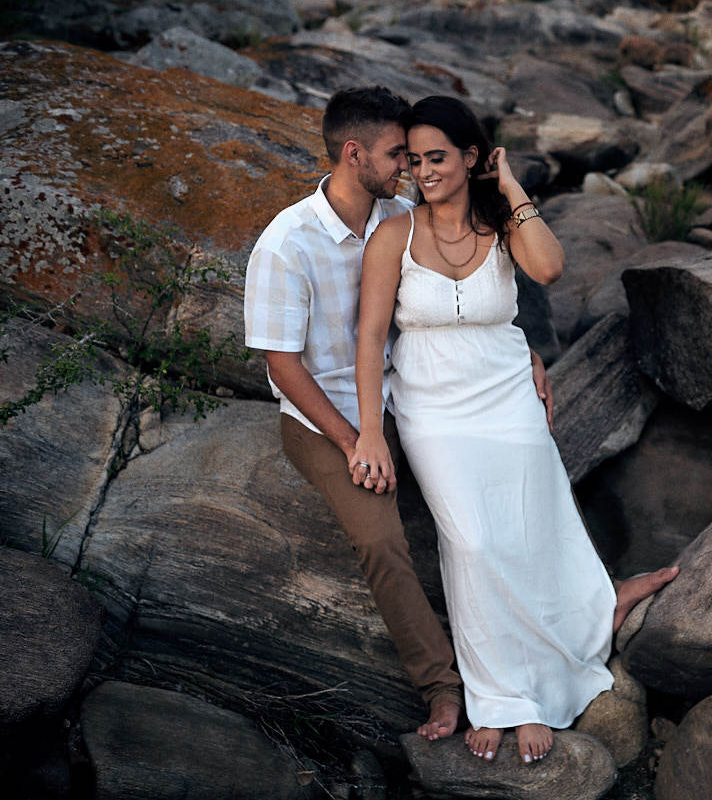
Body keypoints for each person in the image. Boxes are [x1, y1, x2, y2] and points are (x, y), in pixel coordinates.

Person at [352, 96, 676, 766]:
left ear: (471, 156)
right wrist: (369, 432)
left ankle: (598, 609)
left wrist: (509, 186)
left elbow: (550, 268)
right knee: (473, 543)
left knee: (535, 524)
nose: (423, 171)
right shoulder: (394, 236)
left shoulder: (501, 225)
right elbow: (370, 337)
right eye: (414, 160)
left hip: (508, 394)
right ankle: (503, 696)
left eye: (437, 157)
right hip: (433, 408)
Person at [243, 86, 548, 742]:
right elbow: (283, 366)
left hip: (414, 392)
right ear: (353, 154)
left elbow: (467, 290)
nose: (408, 167)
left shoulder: (403, 214)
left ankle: (571, 612)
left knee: (510, 472)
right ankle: (442, 685)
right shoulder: (287, 243)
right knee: (382, 539)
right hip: (325, 414)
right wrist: (356, 441)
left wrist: (523, 354)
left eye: (414, 156)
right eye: (396, 155)